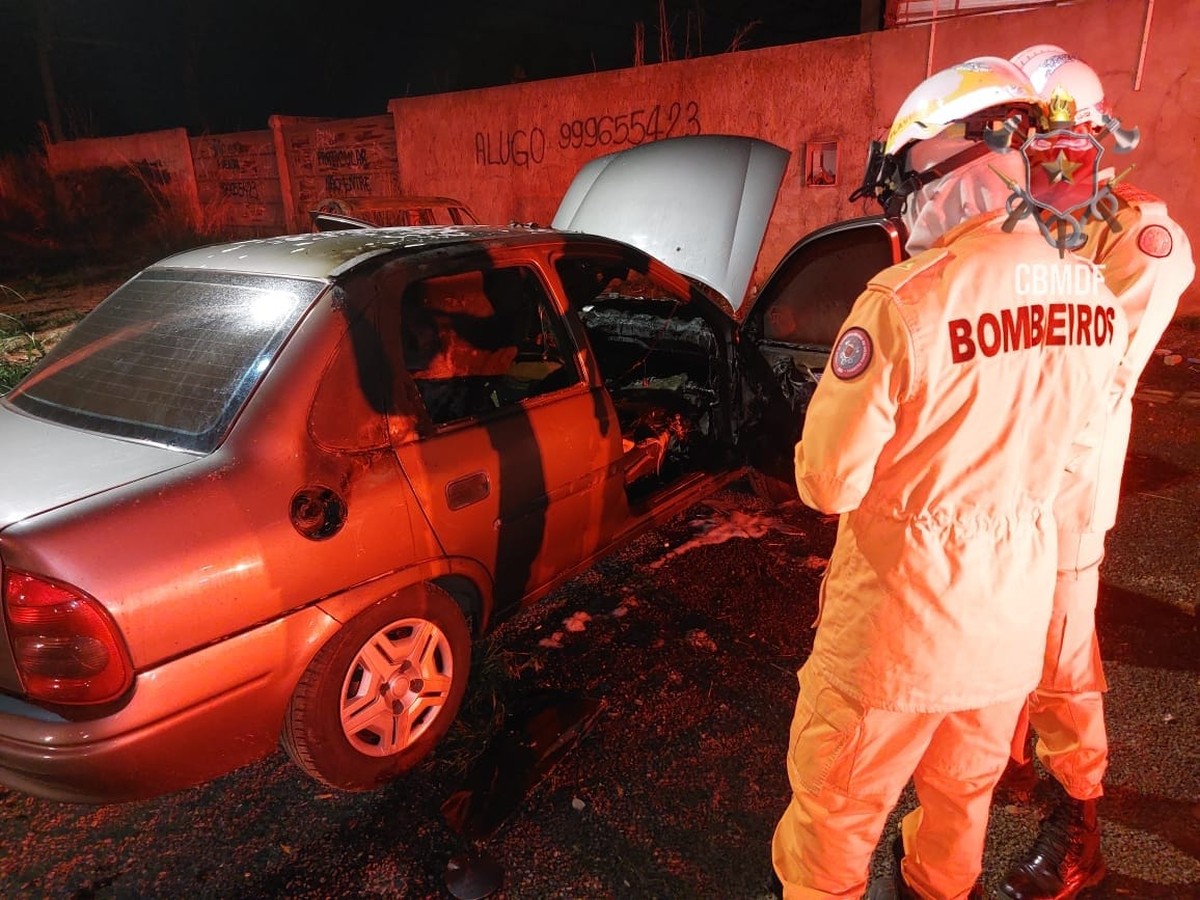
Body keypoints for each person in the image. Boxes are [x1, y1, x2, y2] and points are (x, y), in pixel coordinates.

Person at [770, 56, 1129, 899]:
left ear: (956, 174)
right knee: (959, 808)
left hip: (895, 635)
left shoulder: (902, 303)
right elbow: (1078, 453)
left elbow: (829, 482)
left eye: (907, 187)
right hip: (1008, 627)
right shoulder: (1092, 297)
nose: (904, 210)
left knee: (833, 820)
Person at [996, 45, 1196, 900]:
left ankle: (1079, 820)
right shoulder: (1025, 217)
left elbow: (1085, 378)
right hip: (1006, 477)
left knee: (1060, 653)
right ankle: (1002, 760)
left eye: (1019, 131)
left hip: (1064, 487)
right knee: (999, 627)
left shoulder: (1135, 237)